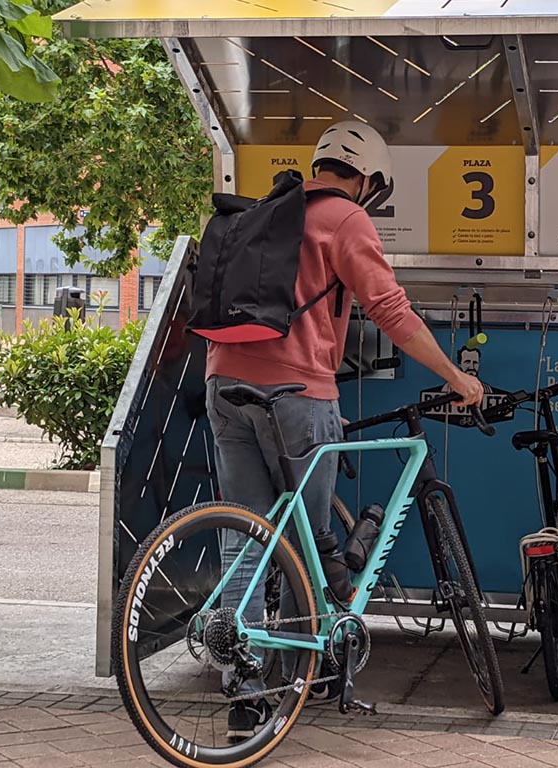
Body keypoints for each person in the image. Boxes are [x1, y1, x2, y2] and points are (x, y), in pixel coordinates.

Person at [204, 121, 484, 739]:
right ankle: (309, 674)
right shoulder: (346, 219)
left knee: (246, 537)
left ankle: (244, 693)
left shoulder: (271, 207)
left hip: (224, 384)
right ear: (368, 179)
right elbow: (390, 310)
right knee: (308, 543)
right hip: (298, 392)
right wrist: (455, 377)